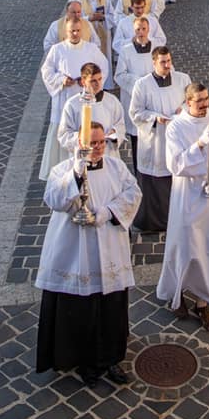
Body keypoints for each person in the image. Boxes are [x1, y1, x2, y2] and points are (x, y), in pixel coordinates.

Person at [35, 121, 141, 386]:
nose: (97, 148)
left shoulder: (116, 168)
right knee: (82, 310)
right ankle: (84, 361)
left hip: (110, 250)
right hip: (77, 254)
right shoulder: (63, 169)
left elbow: (133, 193)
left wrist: (103, 214)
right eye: (92, 143)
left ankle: (110, 358)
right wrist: (76, 173)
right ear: (80, 144)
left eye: (101, 142)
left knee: (111, 309)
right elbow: (54, 198)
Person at [156, 82, 209, 331]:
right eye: (200, 101)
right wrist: (200, 145)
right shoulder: (176, 128)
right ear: (187, 103)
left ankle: (203, 303)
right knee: (183, 249)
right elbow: (176, 165)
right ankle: (176, 294)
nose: (205, 104)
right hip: (186, 198)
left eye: (207, 99)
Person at [129, 47, 191, 233]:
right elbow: (135, 113)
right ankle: (153, 222)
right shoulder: (142, 84)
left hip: (177, 137)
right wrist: (156, 117)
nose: (167, 65)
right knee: (154, 181)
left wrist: (182, 108)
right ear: (153, 62)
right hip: (155, 140)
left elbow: (190, 101)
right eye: (163, 62)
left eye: (169, 61)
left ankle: (178, 217)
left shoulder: (183, 79)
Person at [39, 17, 109, 179]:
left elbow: (103, 67)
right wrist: (62, 80)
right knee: (66, 132)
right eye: (72, 31)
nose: (76, 34)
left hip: (86, 99)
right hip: (65, 97)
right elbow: (47, 72)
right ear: (66, 31)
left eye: (78, 30)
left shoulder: (91, 49)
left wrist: (91, 83)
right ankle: (64, 174)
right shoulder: (57, 50)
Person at [114, 17, 154, 173]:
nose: (141, 32)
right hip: (134, 100)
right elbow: (119, 75)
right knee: (137, 138)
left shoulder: (157, 47)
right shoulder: (126, 50)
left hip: (152, 100)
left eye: (144, 29)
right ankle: (138, 172)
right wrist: (138, 83)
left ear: (148, 29)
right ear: (134, 30)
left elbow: (168, 68)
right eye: (138, 29)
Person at [58, 63, 125, 157]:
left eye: (100, 79)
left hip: (108, 154)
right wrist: (85, 137)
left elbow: (120, 124)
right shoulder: (72, 104)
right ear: (83, 81)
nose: (98, 84)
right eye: (93, 81)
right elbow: (64, 135)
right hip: (83, 156)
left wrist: (115, 132)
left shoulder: (112, 101)